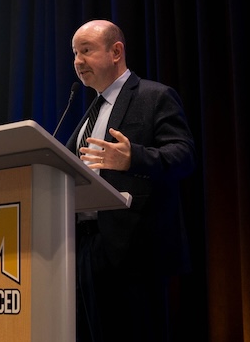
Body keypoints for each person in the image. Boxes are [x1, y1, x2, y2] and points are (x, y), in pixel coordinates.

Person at [65, 19, 196, 341]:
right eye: (75, 53)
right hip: (85, 244)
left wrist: (133, 158)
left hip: (135, 251)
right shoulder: (91, 110)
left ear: (116, 52)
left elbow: (183, 156)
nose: (78, 61)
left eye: (86, 50)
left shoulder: (154, 96)